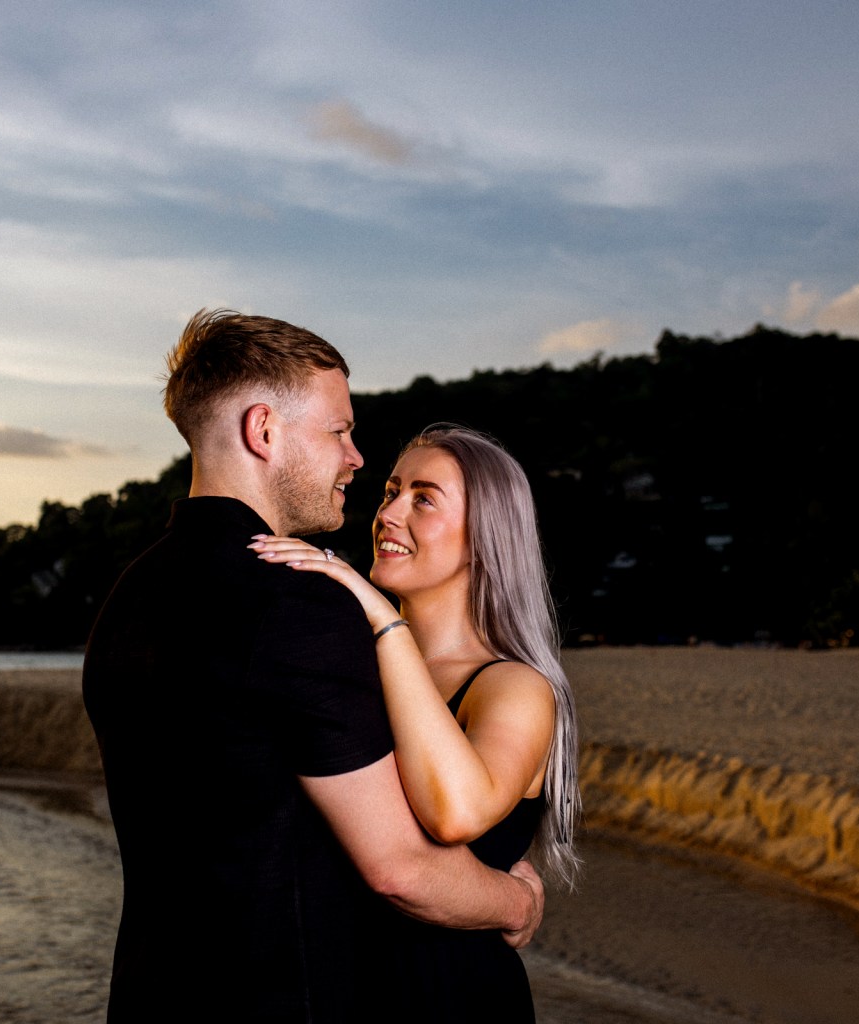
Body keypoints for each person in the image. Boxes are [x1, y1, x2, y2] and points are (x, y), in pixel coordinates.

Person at [83, 311, 544, 1023]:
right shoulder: (299, 605)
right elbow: (399, 869)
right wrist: (516, 900)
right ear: (264, 430)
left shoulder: (129, 595)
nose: (356, 459)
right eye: (338, 431)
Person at [250, 424, 580, 1021]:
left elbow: (455, 813)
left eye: (423, 498)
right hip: (335, 993)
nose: (390, 513)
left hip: (451, 999)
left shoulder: (515, 686)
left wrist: (381, 617)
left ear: (484, 539)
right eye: (389, 492)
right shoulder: (349, 666)